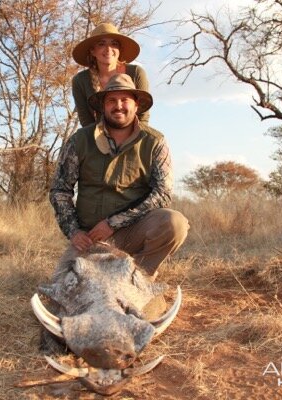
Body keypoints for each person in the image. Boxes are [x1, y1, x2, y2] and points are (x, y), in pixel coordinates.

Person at [50, 73, 188, 278]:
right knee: (61, 284)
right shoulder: (80, 140)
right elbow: (60, 190)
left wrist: (112, 224)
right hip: (92, 238)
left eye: (125, 100)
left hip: (133, 233)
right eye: (112, 100)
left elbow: (163, 194)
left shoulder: (155, 142)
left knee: (174, 223)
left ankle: (139, 276)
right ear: (103, 106)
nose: (119, 106)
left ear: (136, 105)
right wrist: (74, 232)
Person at [72, 22, 150, 127]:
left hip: (134, 135)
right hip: (97, 138)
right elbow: (86, 121)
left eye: (114, 44)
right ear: (92, 51)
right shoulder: (80, 80)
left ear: (119, 49)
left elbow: (143, 116)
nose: (108, 49)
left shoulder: (136, 73)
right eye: (101, 44)